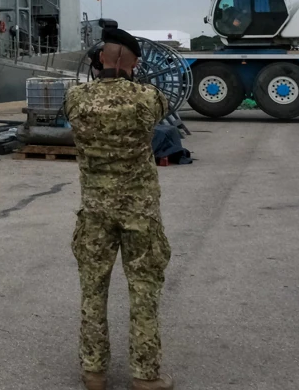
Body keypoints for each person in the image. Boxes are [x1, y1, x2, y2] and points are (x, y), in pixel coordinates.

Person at [64, 27, 174, 390]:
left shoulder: (76, 98)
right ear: (135, 63)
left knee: (93, 289)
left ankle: (94, 371)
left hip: (95, 211)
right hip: (139, 212)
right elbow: (162, 109)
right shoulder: (148, 98)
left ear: (99, 60)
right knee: (144, 290)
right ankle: (146, 375)